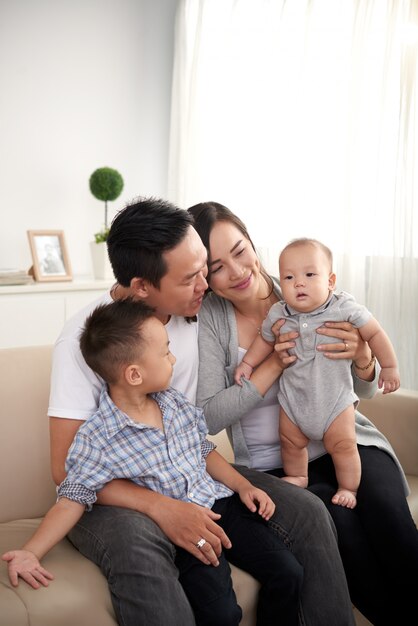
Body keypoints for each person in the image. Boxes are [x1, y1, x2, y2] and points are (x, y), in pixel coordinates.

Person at [47, 196, 355, 626]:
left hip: (191, 465)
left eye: (203, 270)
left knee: (307, 512)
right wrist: (160, 507)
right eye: (192, 277)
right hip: (107, 490)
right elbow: (66, 469)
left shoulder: (198, 313)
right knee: (142, 548)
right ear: (141, 287)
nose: (207, 285)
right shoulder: (86, 339)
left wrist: (357, 351)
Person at [2, 298, 303, 625]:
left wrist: (244, 486)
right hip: (184, 530)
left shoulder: (173, 403)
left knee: (287, 572)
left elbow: (203, 451)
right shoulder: (98, 437)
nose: (173, 358)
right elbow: (71, 498)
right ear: (134, 374)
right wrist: (31, 551)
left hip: (221, 505)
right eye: (165, 352)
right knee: (221, 613)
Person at [188, 200, 418, 626]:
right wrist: (271, 364)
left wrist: (364, 357)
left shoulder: (303, 282)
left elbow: (363, 389)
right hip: (278, 463)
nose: (236, 271)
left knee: (385, 507)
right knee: (341, 527)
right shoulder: (209, 323)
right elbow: (206, 418)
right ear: (204, 274)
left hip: (346, 438)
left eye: (240, 251)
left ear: (252, 242)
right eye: (217, 266)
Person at [234, 237, 400, 508]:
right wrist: (248, 364)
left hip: (334, 402)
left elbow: (374, 333)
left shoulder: (343, 308)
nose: (299, 282)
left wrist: (389, 366)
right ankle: (298, 475)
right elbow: (264, 341)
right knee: (289, 442)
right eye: (288, 277)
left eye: (310, 275)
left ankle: (348, 487)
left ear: (330, 281)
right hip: (294, 402)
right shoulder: (279, 312)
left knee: (344, 446)